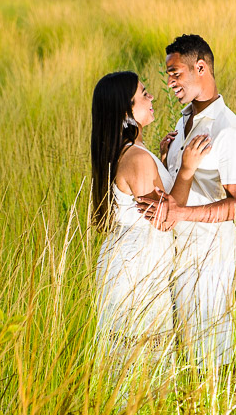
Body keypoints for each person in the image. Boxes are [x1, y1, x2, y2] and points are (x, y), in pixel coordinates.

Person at [89, 70, 213, 387]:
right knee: (143, 380)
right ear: (126, 111)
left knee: (134, 376)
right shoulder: (136, 160)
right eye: (144, 94)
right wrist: (186, 168)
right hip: (136, 279)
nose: (152, 97)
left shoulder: (131, 154)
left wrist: (160, 159)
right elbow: (164, 219)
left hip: (131, 270)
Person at [137, 34, 236, 373]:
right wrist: (165, 157)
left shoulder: (226, 130)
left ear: (200, 68)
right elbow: (185, 178)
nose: (169, 83)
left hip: (208, 252)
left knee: (209, 345)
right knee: (181, 344)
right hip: (176, 248)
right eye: (168, 75)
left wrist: (180, 213)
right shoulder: (182, 121)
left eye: (176, 74)